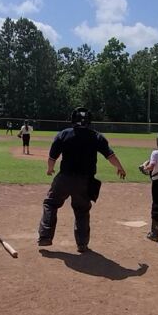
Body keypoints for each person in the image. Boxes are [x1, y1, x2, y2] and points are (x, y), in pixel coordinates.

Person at [37, 107, 126, 253]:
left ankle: (45, 236)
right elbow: (110, 156)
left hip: (65, 178)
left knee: (50, 203)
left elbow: (52, 157)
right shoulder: (96, 136)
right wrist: (120, 168)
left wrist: (50, 169)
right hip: (85, 181)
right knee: (82, 211)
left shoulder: (64, 134)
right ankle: (82, 244)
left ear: (73, 119)